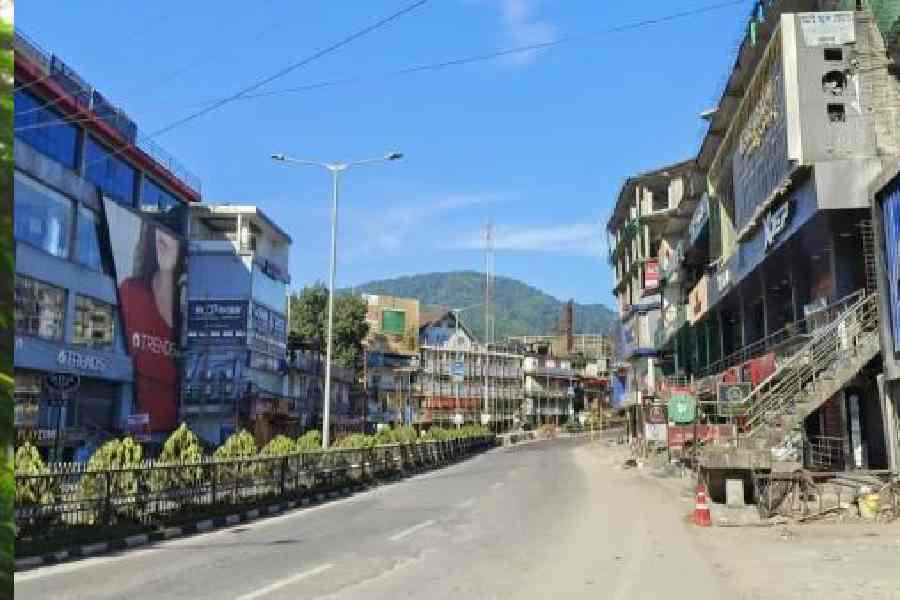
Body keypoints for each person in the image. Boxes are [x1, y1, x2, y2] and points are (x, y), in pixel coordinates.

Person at [118, 225, 184, 432]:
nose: (164, 237)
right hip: (131, 435)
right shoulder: (130, 293)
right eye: (159, 228)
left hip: (178, 440)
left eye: (172, 229)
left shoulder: (190, 310)